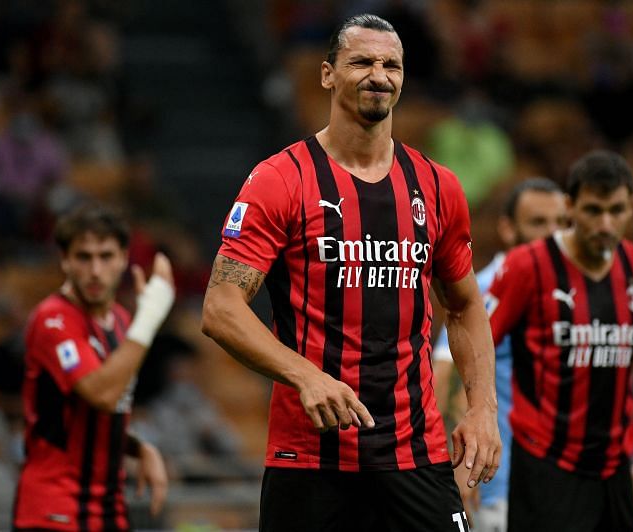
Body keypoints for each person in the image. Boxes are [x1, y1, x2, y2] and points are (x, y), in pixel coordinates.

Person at [201, 13, 501, 532]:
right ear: (327, 74)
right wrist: (306, 376)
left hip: (415, 449)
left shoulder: (437, 187)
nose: (378, 75)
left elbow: (464, 303)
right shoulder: (281, 180)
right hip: (310, 456)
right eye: (361, 61)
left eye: (391, 65)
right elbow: (221, 307)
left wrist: (482, 410)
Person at [486, 150, 633, 531]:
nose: (605, 223)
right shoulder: (527, 266)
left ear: (632, 205)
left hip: (614, 467)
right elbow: (476, 346)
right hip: (545, 466)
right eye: (593, 210)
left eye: (616, 211)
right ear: (570, 206)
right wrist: (475, 422)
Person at [13, 203, 176, 531]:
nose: (96, 270)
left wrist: (139, 446)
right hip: (53, 510)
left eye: (106, 256)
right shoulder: (53, 320)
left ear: (124, 258)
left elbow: (100, 412)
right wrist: (150, 317)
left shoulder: (122, 322)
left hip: (108, 511)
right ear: (65, 261)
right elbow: (101, 393)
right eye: (84, 257)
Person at [433, 177, 568, 531]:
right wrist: (462, 466)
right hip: (504, 491)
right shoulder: (487, 290)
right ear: (508, 229)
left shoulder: (578, 294)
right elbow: (445, 377)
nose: (552, 235)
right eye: (538, 223)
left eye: (560, 223)